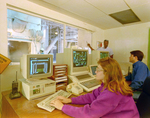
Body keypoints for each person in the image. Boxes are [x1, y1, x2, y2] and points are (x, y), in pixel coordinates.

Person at [50, 57, 139, 118]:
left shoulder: (112, 92)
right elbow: (92, 96)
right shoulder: (109, 84)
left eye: (98, 69)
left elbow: (90, 113)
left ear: (107, 73)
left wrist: (63, 107)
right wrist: (70, 100)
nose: (95, 72)